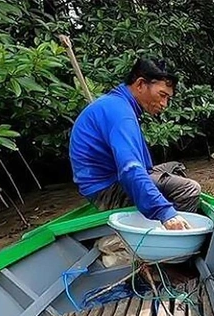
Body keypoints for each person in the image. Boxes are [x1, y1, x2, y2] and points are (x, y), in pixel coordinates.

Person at [69, 58, 201, 230]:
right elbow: (130, 169)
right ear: (140, 85)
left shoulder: (117, 104)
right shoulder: (121, 114)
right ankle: (168, 246)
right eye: (162, 95)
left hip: (110, 179)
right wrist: (165, 213)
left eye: (168, 98)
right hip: (106, 190)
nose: (164, 104)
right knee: (189, 190)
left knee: (174, 168)